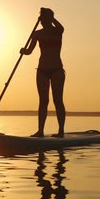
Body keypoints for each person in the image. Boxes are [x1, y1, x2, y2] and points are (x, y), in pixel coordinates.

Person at [20, 8, 66, 137]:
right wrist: (23, 51)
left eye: (43, 18)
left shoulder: (58, 31)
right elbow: (29, 51)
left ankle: (61, 131)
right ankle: (40, 131)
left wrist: (51, 18)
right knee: (43, 101)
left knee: (58, 100)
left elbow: (61, 27)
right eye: (41, 18)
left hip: (57, 70)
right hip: (42, 70)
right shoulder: (37, 34)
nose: (41, 22)